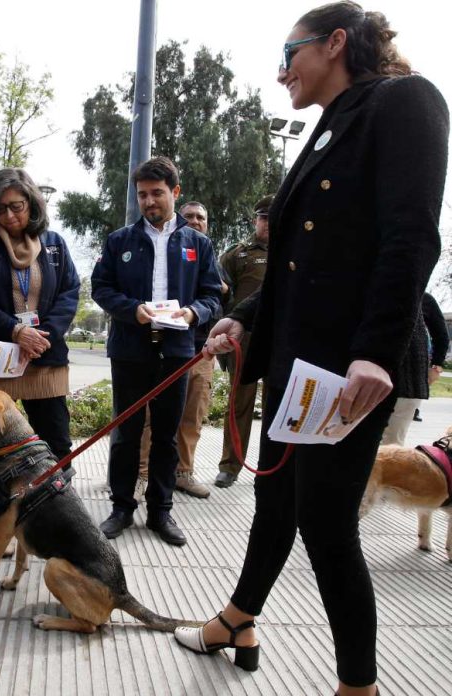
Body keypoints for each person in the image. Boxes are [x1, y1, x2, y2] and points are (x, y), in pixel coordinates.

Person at [172, 4, 449, 696]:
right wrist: (243, 318)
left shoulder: (405, 101)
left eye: (289, 52)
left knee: (327, 528)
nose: (280, 70)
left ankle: (359, 687)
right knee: (274, 502)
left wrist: (377, 353)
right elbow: (304, 267)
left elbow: (411, 236)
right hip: (300, 364)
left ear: (334, 42)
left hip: (344, 370)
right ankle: (238, 620)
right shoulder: (328, 127)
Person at [92, 157, 223, 546]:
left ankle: (160, 512)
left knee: (166, 436)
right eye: (143, 195)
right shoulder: (120, 241)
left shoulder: (198, 243)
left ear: (175, 193)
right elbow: (101, 288)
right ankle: (120, 507)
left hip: (178, 351)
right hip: (130, 350)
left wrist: (193, 312)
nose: (149, 201)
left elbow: (212, 295)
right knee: (126, 433)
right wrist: (132, 310)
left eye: (157, 194)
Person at [0, 167, 80, 511]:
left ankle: (57, 515)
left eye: (17, 206)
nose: (9, 215)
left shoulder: (54, 244)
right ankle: (2, 521)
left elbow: (70, 291)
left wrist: (43, 336)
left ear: (32, 204)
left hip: (43, 361)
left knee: (55, 442)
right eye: (0, 208)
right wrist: (15, 330)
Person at [138, 201, 225, 499]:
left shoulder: (208, 254)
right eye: (189, 216)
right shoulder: (165, 252)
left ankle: (183, 473)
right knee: (151, 414)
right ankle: (142, 473)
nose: (195, 221)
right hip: (164, 350)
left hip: (202, 351)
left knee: (192, 414)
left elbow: (218, 297)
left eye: (201, 217)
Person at [214, 195, 272, 489]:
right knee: (240, 403)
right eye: (264, 218)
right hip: (244, 340)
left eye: (273, 218)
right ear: (255, 221)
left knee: (278, 405)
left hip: (279, 341)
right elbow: (219, 293)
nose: (268, 223)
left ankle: (271, 469)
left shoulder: (294, 252)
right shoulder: (238, 255)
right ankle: (230, 465)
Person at [380, 292, 449, 445]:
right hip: (370, 375)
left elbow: (442, 336)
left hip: (410, 381)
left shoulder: (423, 298)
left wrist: (436, 367)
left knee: (393, 442)